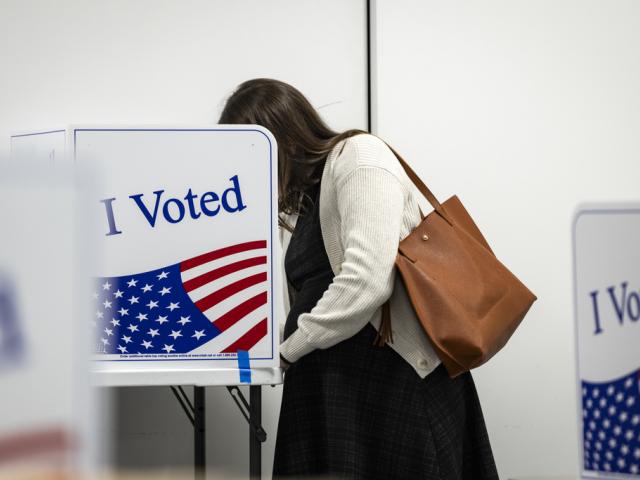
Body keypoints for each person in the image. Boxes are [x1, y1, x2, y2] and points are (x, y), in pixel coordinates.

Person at [218, 78, 499, 480]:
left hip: (386, 378)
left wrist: (287, 351)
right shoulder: (306, 200)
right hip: (332, 384)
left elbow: (367, 281)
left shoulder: (358, 158)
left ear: (281, 136)